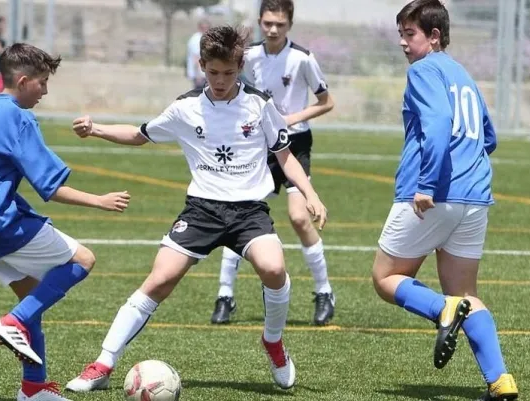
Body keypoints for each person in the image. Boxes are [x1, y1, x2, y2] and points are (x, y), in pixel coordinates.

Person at [64, 25, 328, 393]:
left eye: (229, 73)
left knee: (273, 268)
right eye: (213, 72)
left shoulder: (259, 104)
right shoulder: (185, 107)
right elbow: (139, 135)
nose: (220, 81)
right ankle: (103, 364)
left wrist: (310, 193)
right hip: (202, 210)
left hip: (249, 211)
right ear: (201, 65)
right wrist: (96, 129)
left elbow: (285, 155)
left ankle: (273, 343)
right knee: (159, 280)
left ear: (240, 68)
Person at [0, 43, 131, 401]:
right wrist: (99, 200)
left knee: (32, 296)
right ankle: (13, 322)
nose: (45, 91)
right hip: (0, 222)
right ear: (22, 81)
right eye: (42, 82)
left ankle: (33, 389)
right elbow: (50, 188)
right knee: (83, 259)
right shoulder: (19, 119)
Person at [371, 1, 518, 400]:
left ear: (434, 36)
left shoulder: (423, 70)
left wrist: (426, 184)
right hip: (475, 196)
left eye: (410, 34)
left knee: (385, 277)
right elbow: (489, 137)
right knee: (466, 293)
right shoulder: (463, 75)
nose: (403, 42)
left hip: (434, 195)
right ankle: (500, 381)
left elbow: (436, 124)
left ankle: (441, 310)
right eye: (401, 34)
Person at [212, 0, 336, 326]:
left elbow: (326, 102)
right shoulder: (249, 55)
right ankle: (225, 295)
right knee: (238, 213)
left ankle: (324, 291)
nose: (273, 29)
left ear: (289, 25)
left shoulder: (303, 59)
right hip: (258, 144)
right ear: (259, 22)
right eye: (267, 23)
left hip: (295, 143)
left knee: (299, 217)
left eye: (279, 24)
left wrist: (292, 118)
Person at [186, 18, 211, 90]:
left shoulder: (206, 38)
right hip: (200, 74)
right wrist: (198, 75)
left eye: (207, 28)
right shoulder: (196, 39)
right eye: (204, 28)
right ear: (199, 28)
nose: (206, 30)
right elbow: (196, 58)